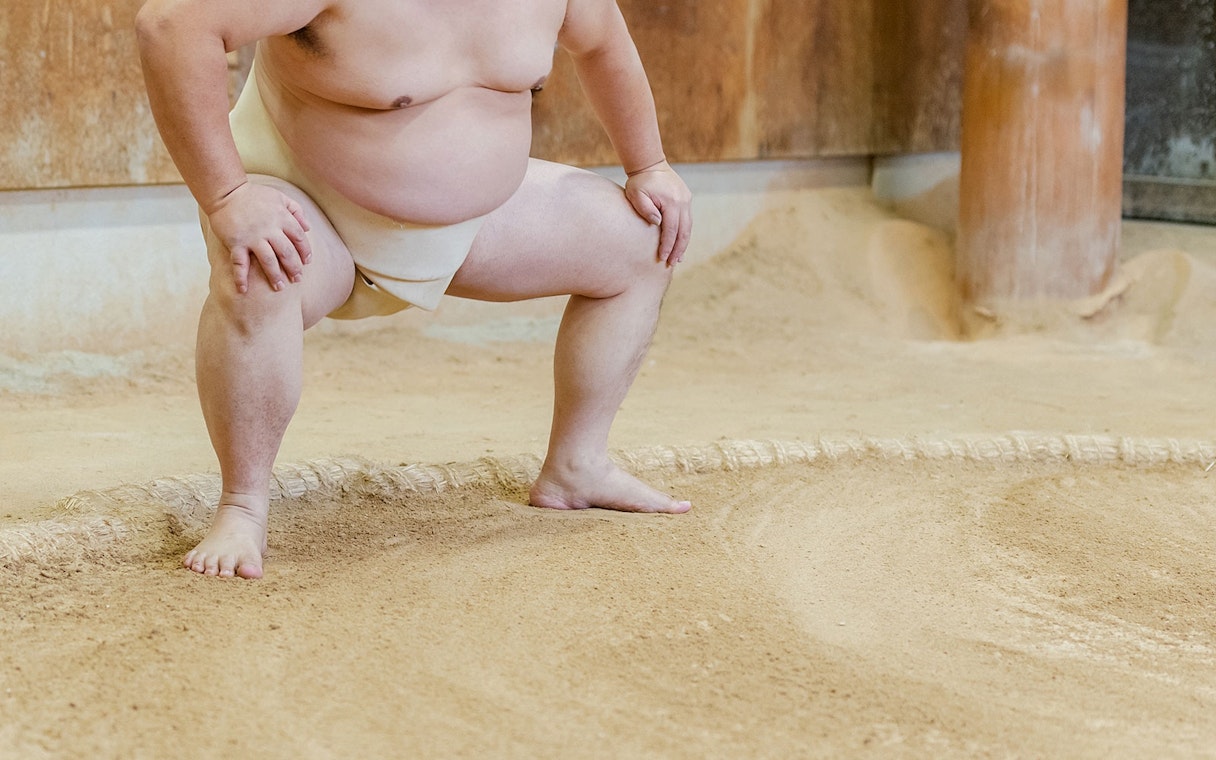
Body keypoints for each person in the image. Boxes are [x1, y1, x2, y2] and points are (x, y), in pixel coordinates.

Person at [135, 0, 694, 579]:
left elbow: (603, 46)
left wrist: (648, 164)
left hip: (474, 223)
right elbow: (172, 26)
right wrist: (227, 196)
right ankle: (242, 507)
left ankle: (577, 465)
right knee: (255, 274)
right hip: (313, 212)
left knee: (645, 239)